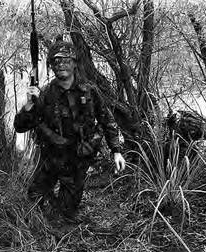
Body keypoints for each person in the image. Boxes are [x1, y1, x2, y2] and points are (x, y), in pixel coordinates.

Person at [14, 40, 125, 232]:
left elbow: (107, 120)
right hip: (51, 159)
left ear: (74, 63)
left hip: (77, 161)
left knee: (66, 216)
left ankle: (62, 211)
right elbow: (20, 127)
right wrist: (28, 107)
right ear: (51, 66)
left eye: (66, 60)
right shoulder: (44, 94)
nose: (61, 64)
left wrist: (116, 151)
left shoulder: (89, 91)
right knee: (32, 204)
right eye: (56, 61)